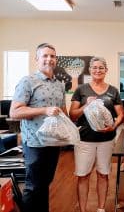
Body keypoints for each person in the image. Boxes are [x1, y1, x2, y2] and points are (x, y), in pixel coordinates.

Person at [9, 43, 68, 212]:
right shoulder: (27, 81)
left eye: (53, 56)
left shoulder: (59, 85)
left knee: (45, 183)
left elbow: (63, 112)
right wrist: (44, 110)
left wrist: (70, 130)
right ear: (37, 59)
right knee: (33, 186)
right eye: (45, 56)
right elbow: (15, 111)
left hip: (53, 143)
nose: (49, 59)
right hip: (35, 143)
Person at [69, 57, 124, 212]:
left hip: (106, 140)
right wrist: (87, 104)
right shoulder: (81, 90)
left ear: (106, 70)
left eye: (101, 68)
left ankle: (101, 209)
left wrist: (113, 126)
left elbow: (121, 114)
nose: (98, 70)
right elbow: (72, 115)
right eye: (94, 67)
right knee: (83, 175)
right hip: (84, 140)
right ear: (90, 70)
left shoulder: (113, 90)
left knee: (103, 174)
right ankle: (83, 210)